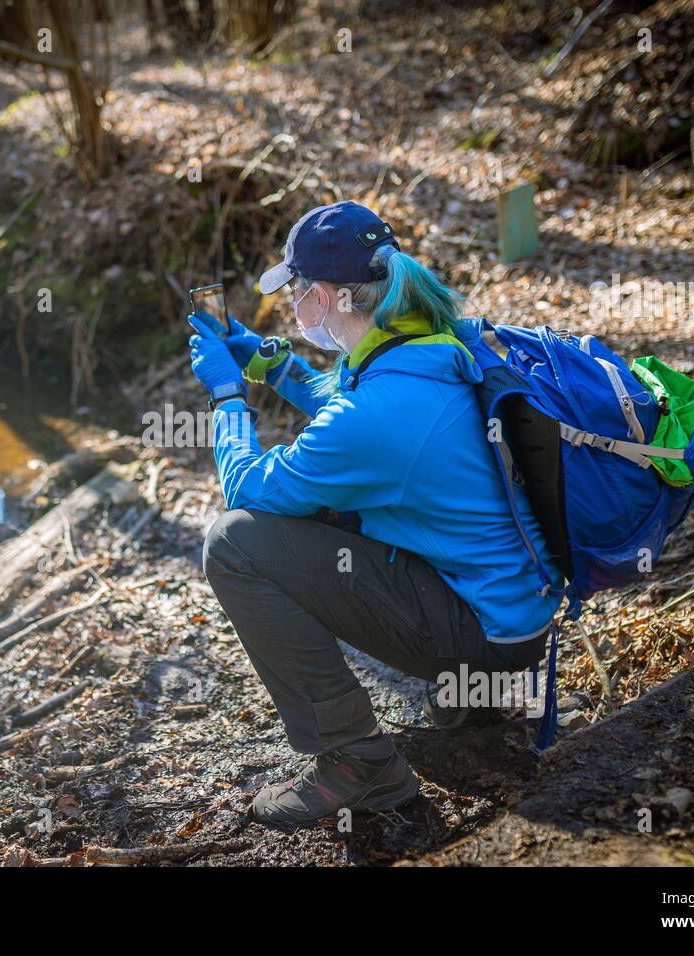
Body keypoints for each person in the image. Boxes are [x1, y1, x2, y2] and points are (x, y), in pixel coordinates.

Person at [187, 201, 562, 828]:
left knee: (235, 545)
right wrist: (270, 363)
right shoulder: (423, 344)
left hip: (487, 641)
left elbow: (248, 489)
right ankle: (476, 709)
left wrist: (227, 398)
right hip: (513, 617)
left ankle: (358, 764)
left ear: (331, 297)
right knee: (326, 515)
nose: (294, 303)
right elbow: (345, 405)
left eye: (300, 289)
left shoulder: (380, 411)